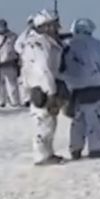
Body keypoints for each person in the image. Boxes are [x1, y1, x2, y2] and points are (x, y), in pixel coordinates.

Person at [60, 17, 100, 160]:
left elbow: (60, 69)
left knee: (78, 122)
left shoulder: (66, 46)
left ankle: (75, 148)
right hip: (96, 88)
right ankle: (96, 148)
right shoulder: (95, 44)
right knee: (97, 120)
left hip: (75, 91)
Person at [18, 12, 69, 165]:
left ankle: (48, 153)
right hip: (43, 87)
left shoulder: (41, 41)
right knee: (44, 123)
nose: (55, 28)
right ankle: (42, 156)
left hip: (43, 85)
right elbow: (44, 69)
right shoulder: (40, 44)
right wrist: (52, 92)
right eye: (52, 25)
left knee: (49, 123)